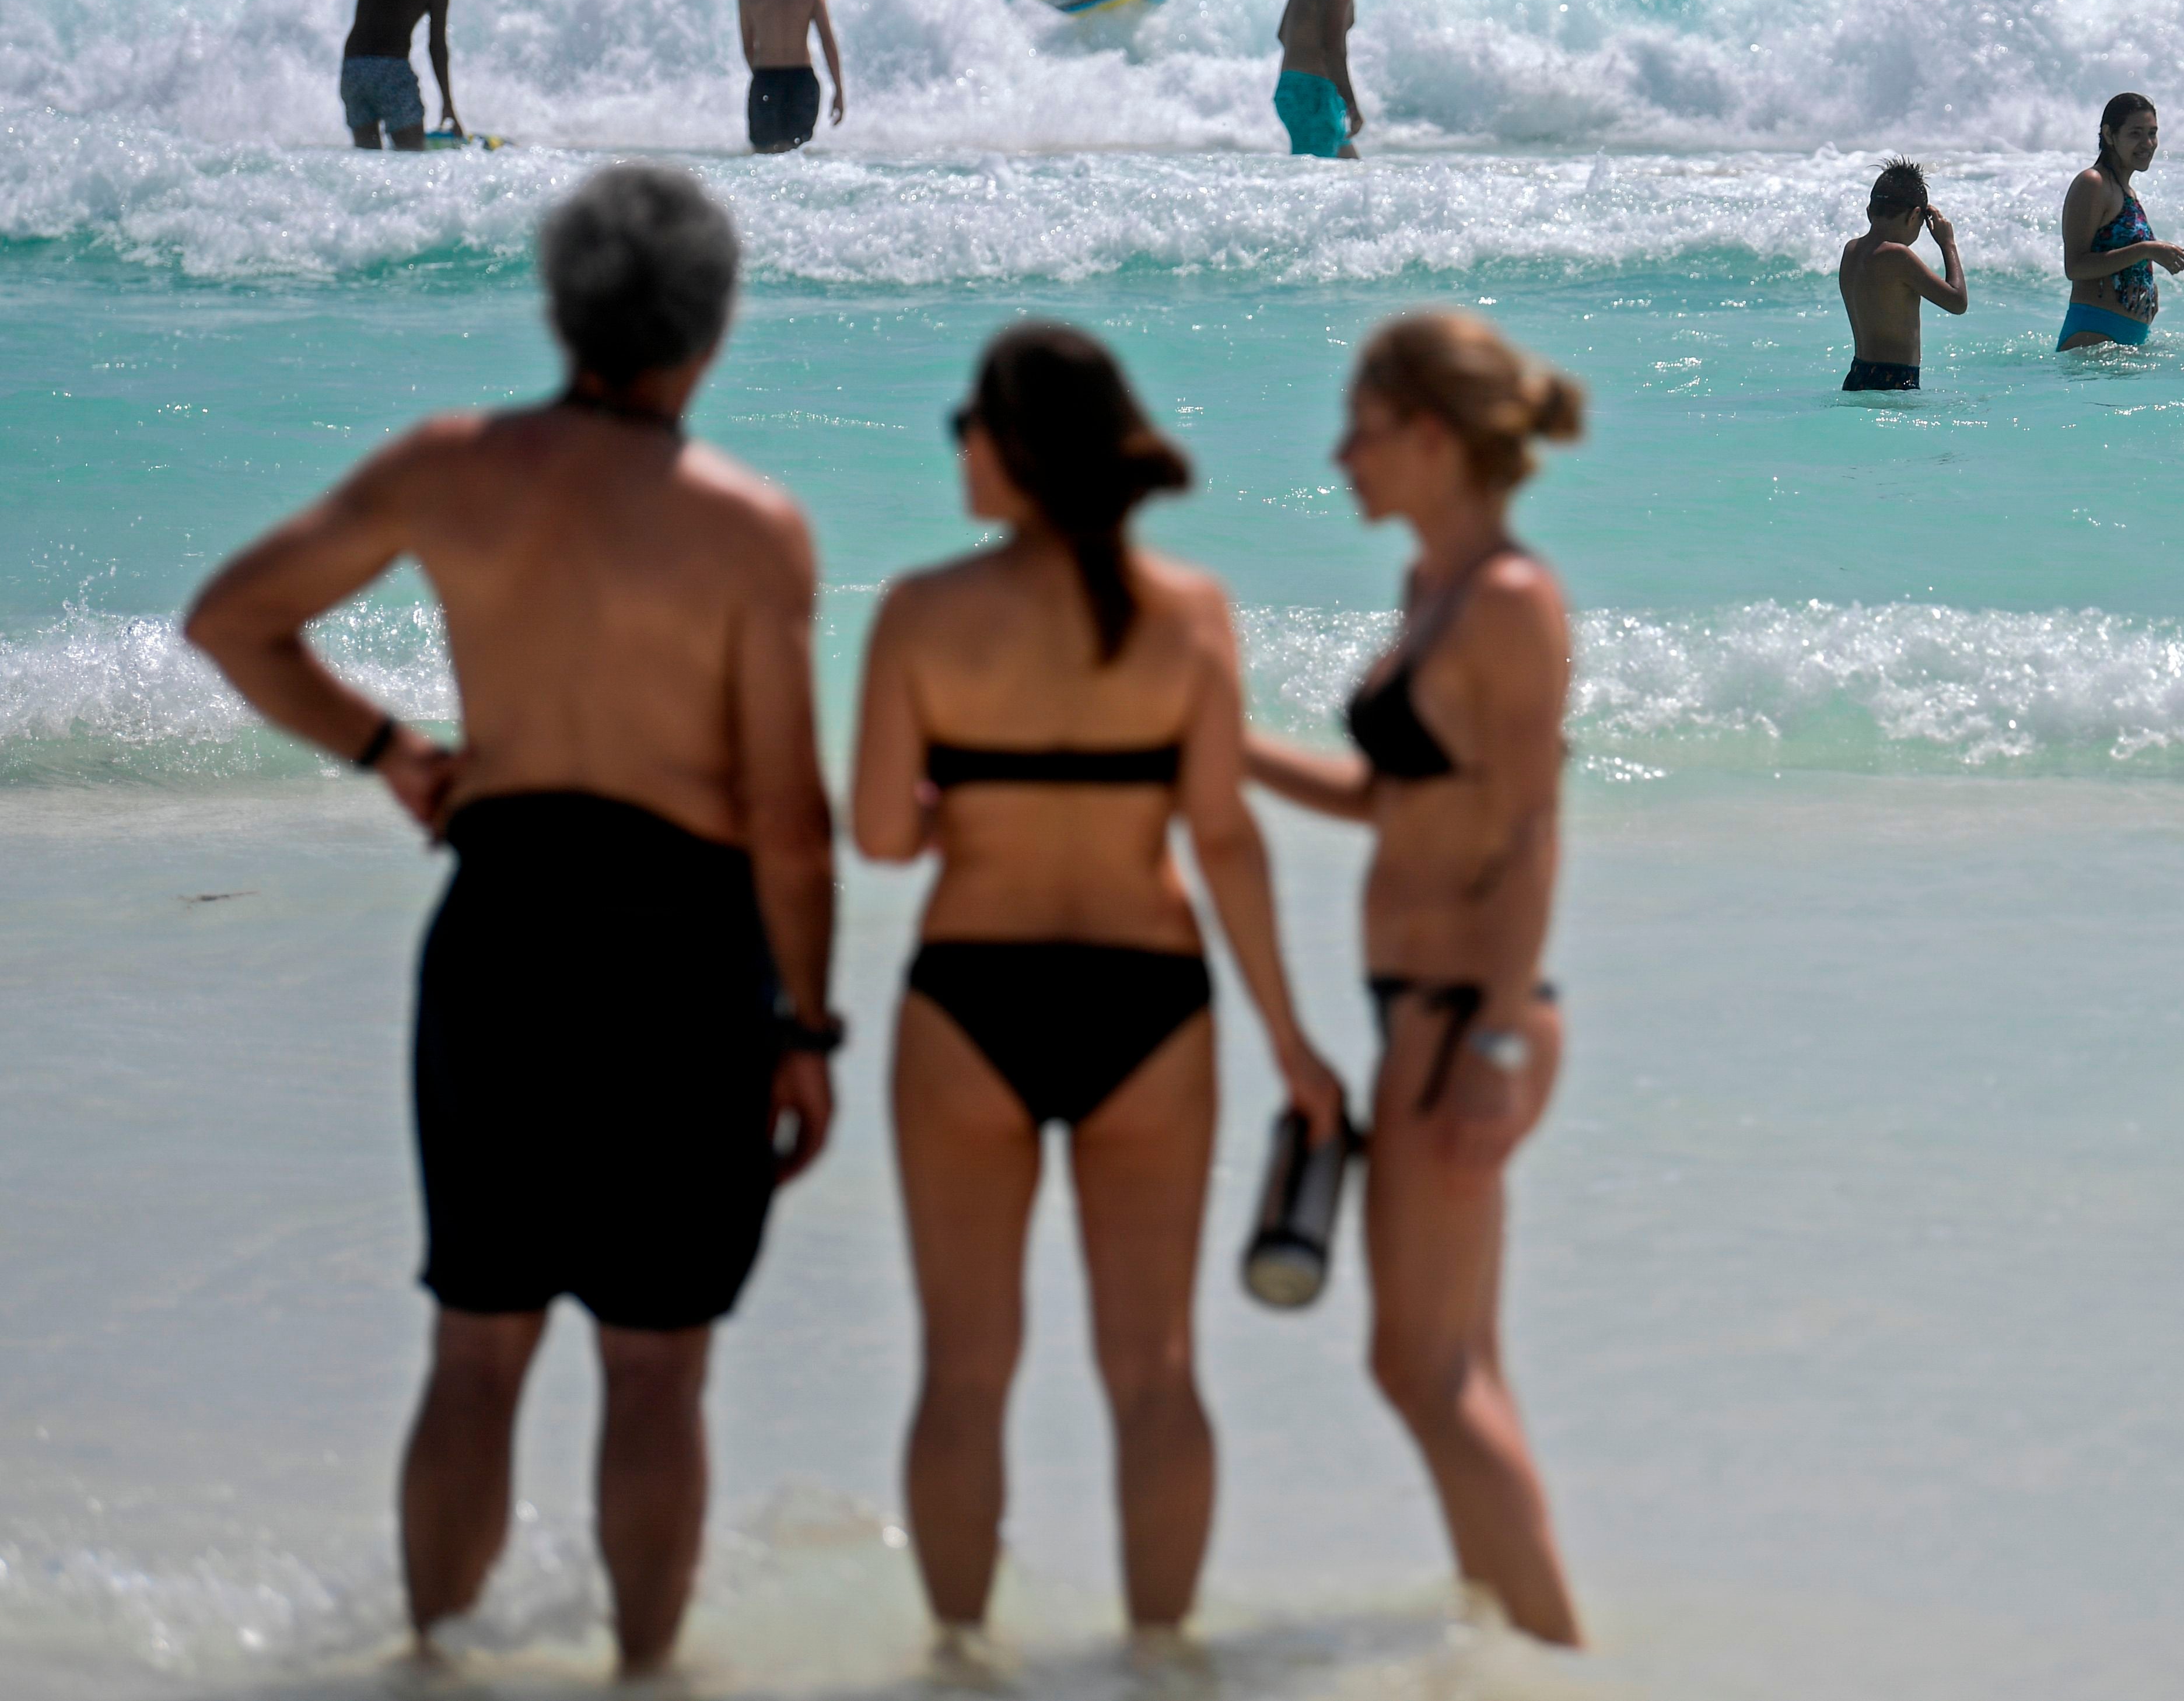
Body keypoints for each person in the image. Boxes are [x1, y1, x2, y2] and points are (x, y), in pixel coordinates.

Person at [181, 165, 841, 1676]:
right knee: (657, 1369)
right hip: (683, 952)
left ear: (559, 310)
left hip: (505, 929)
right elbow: (790, 824)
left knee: (477, 1345)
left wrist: (391, 752)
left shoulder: (448, 467)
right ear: (712, 334)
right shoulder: (750, 529)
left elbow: (232, 620)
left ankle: (434, 1665)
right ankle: (645, 1674)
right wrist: (805, 1024)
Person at [849, 323, 1345, 1660]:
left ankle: (958, 1663)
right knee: (1154, 1370)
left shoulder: (920, 610)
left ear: (1015, 450)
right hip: (1151, 1003)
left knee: (964, 1370)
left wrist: (972, 804)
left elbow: (882, 838)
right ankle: (1160, 1664)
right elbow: (1223, 835)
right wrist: (1294, 1042)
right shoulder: (1190, 611)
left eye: (969, 423)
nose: (958, 446)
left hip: (969, 1002)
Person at [1244, 313, 1587, 1645]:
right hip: (1428, 1018)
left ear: (1431, 438)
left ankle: (1558, 1654)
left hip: (1467, 1023)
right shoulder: (1431, 592)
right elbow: (1389, 800)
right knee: (1459, 1368)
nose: (1340, 455)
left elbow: (1532, 830)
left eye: (1363, 428)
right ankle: (1508, 1642)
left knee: (1421, 1370)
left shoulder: (1507, 599)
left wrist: (1497, 1042)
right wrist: (1217, 744)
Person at [2059, 94, 2184, 350]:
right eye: (2135, 134)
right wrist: (2147, 250)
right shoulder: (2093, 183)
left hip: (2126, 338)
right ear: (2110, 135)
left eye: (2153, 133)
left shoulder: (2126, 191)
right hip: (2093, 334)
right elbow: (2075, 267)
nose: (2148, 143)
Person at [1836, 161, 1966, 390]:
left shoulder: (1852, 250)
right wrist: (1948, 245)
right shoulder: (1897, 255)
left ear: (1870, 212)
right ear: (1915, 215)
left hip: (1857, 375)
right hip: (1894, 379)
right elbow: (1957, 302)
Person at [340, 0, 463, 151]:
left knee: (366, 158)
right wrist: (448, 105)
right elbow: (437, 47)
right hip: (389, 72)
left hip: (353, 69)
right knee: (411, 155)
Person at [1275, 0, 1377, 160]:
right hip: (1314, 96)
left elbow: (1282, 33)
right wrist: (1352, 106)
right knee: (1317, 186)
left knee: (1351, 170)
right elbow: (1333, 51)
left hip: (1291, 88)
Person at [738, 0, 844, 154]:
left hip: (765, 77)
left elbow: (747, 46)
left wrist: (762, 81)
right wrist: (839, 90)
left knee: (764, 157)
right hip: (802, 81)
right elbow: (828, 43)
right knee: (795, 157)